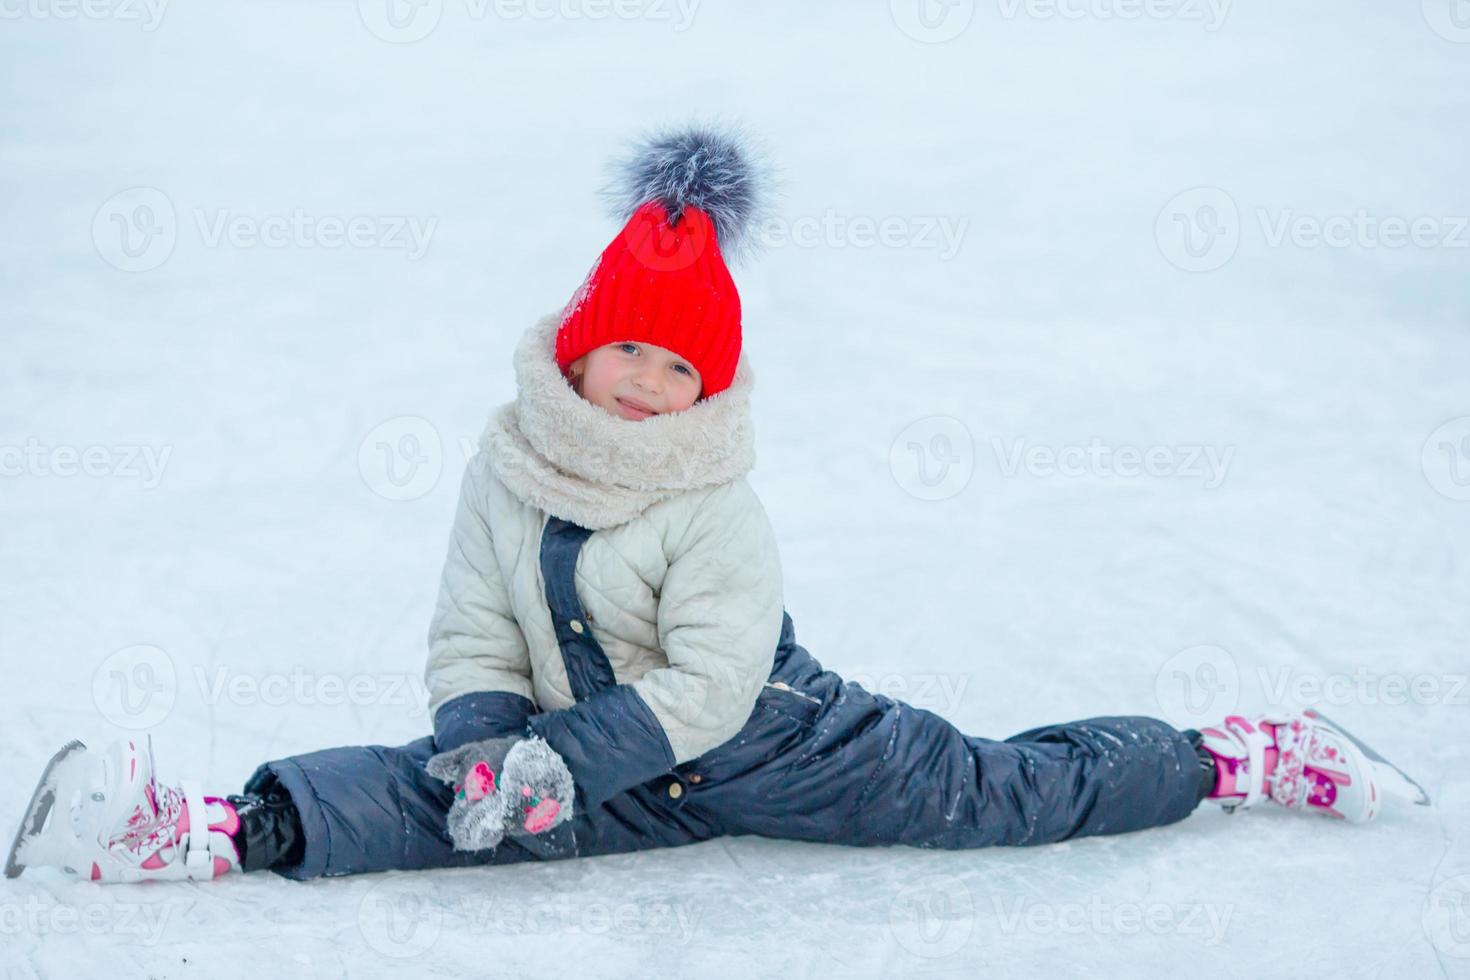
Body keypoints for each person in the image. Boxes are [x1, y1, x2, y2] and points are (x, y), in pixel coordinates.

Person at [7, 123, 1404, 886]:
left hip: (775, 740)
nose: (645, 384)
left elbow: (721, 675)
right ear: (579, 341)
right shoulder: (506, 469)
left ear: (706, 384)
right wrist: (492, 748)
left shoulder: (710, 499)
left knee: (999, 791)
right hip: (586, 748)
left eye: (679, 366)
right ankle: (193, 831)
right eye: (627, 347)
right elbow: (473, 631)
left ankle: (1228, 758)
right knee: (443, 804)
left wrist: (572, 755)